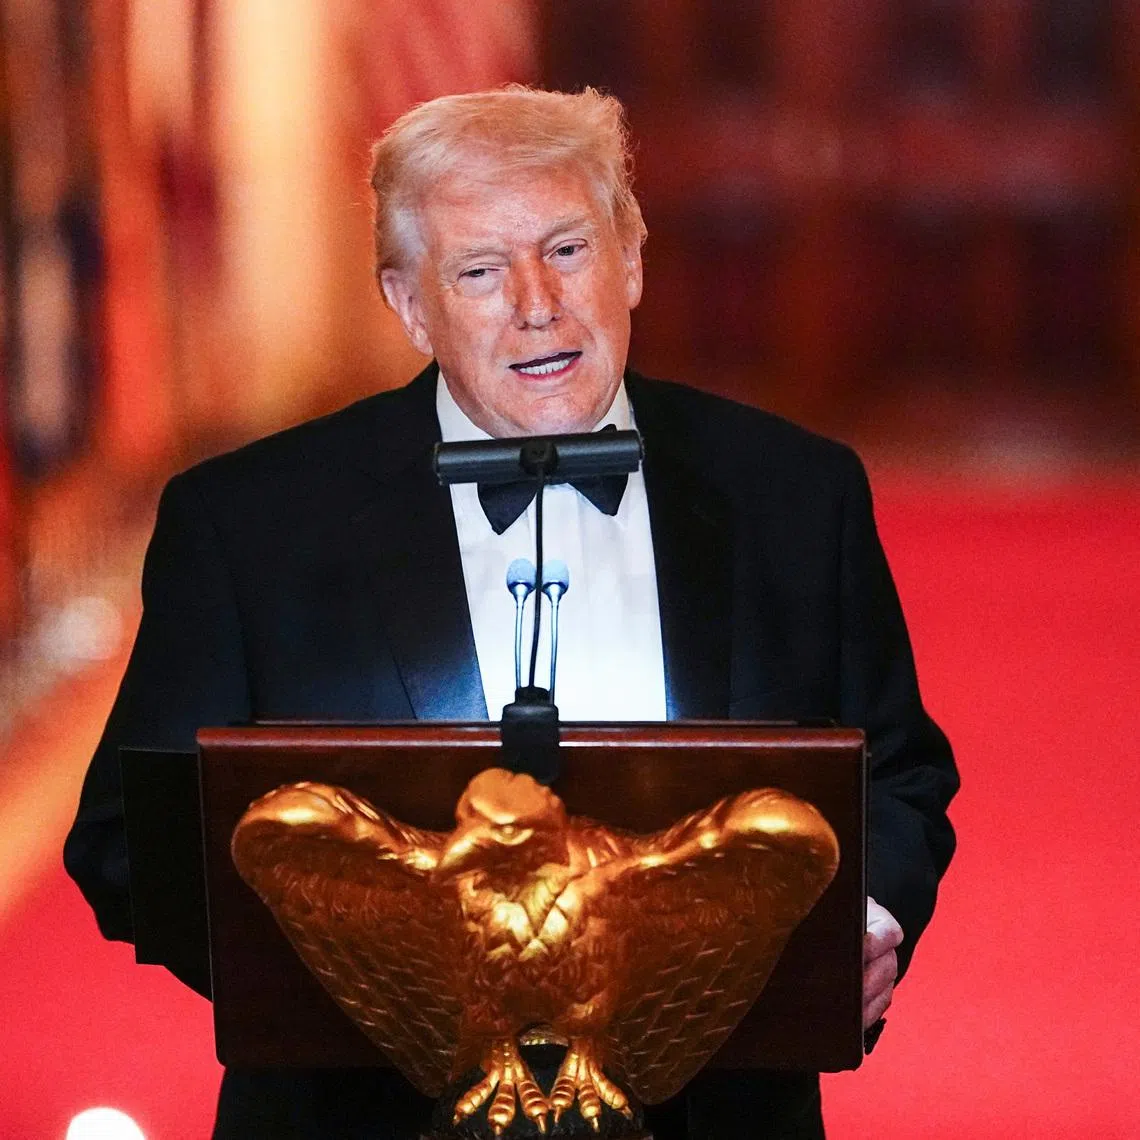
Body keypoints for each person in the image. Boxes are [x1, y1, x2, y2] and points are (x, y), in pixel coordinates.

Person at [65, 86, 958, 1139]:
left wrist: (863, 924)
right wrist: (355, 984)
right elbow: (131, 840)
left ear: (632, 258)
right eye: (479, 272)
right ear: (407, 302)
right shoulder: (246, 524)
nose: (536, 303)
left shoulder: (796, 494)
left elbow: (897, 773)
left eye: (569, 250)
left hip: (719, 1104)